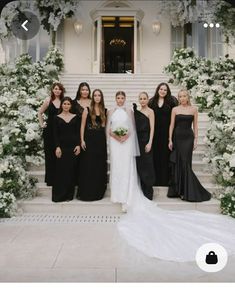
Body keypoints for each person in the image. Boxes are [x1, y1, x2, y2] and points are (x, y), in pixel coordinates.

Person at [167, 89, 211, 202]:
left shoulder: (194, 109)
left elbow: (195, 126)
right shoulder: (175, 109)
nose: (182, 98)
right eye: (180, 96)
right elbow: (171, 125)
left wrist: (196, 139)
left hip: (188, 138)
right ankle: (180, 190)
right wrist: (170, 140)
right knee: (179, 162)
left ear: (188, 97)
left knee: (185, 163)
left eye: (184, 96)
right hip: (177, 138)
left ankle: (187, 191)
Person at [107, 91, 139, 211]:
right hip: (115, 142)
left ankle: (126, 194)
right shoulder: (111, 111)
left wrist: (125, 136)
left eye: (122, 98)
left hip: (127, 141)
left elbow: (133, 128)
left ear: (125, 98)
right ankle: (116, 194)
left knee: (126, 166)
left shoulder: (129, 111)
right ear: (115, 99)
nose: (120, 100)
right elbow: (108, 128)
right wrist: (116, 137)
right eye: (118, 98)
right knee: (117, 165)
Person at [77, 89, 107, 201]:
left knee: (98, 167)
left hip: (100, 141)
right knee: (88, 166)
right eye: (95, 95)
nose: (97, 97)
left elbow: (103, 126)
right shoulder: (87, 110)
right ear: (93, 97)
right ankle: (87, 192)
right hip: (89, 141)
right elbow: (82, 126)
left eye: (99, 95)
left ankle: (97, 192)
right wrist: (82, 140)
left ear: (101, 97)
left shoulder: (104, 110)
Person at [148, 82, 178, 186]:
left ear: (167, 91)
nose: (162, 91)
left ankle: (166, 180)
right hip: (155, 133)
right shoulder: (151, 102)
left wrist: (172, 136)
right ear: (157, 90)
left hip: (167, 133)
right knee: (155, 156)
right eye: (161, 89)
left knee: (166, 156)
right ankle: (156, 180)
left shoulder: (172, 102)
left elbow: (175, 119)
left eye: (165, 90)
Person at [52, 97, 81, 202]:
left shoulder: (76, 117)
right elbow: (55, 134)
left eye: (68, 104)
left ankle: (69, 195)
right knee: (61, 171)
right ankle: (59, 195)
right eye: (64, 104)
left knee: (71, 171)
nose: (66, 106)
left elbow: (78, 132)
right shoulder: (56, 117)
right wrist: (57, 147)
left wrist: (78, 145)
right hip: (62, 148)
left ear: (71, 106)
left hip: (73, 148)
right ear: (61, 105)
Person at [38, 82, 65, 186]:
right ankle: (50, 179)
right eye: (55, 89)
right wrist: (42, 124)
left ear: (62, 91)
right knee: (49, 154)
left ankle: (59, 177)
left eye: (59, 89)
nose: (57, 90)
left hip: (60, 130)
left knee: (59, 154)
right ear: (53, 90)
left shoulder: (64, 101)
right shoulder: (48, 100)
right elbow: (40, 112)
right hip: (49, 130)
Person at [133, 92, 155, 200]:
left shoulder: (150, 112)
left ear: (147, 99)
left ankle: (148, 191)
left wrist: (150, 142)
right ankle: (141, 189)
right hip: (138, 141)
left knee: (148, 165)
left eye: (144, 98)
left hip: (146, 140)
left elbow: (152, 128)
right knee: (140, 165)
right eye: (140, 98)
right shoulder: (137, 112)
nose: (142, 100)